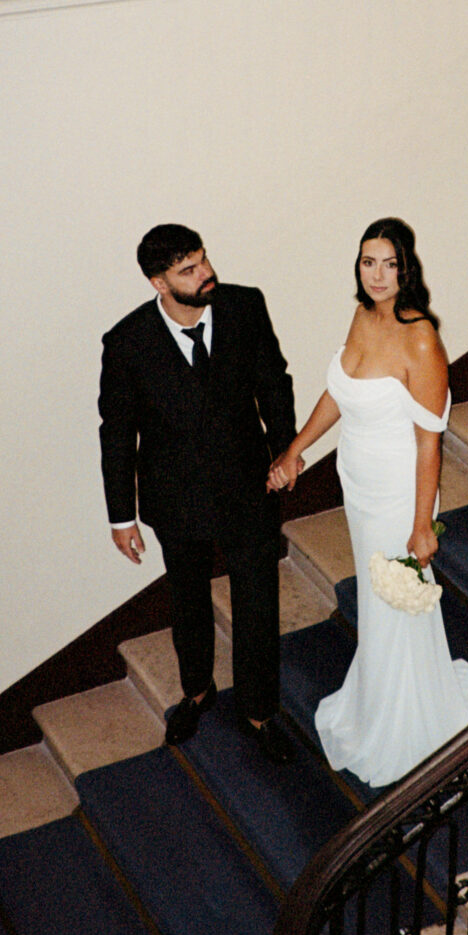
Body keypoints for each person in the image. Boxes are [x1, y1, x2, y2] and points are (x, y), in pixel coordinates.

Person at [268, 218, 468, 787]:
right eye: (367, 262)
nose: (377, 275)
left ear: (406, 268)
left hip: (400, 491)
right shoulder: (362, 315)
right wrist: (297, 450)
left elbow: (430, 441)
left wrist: (422, 525)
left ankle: (409, 718)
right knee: (379, 604)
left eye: (388, 264)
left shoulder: (420, 338)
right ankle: (380, 692)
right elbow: (340, 393)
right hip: (359, 482)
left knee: (398, 600)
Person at [99, 224, 297, 764]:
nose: (206, 273)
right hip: (175, 495)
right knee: (187, 596)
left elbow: (274, 382)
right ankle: (196, 690)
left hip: (249, 483)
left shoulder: (245, 306)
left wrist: (287, 449)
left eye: (204, 260)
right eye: (188, 269)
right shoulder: (126, 343)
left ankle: (260, 710)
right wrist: (122, 517)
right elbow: (117, 433)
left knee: (257, 599)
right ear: (158, 282)